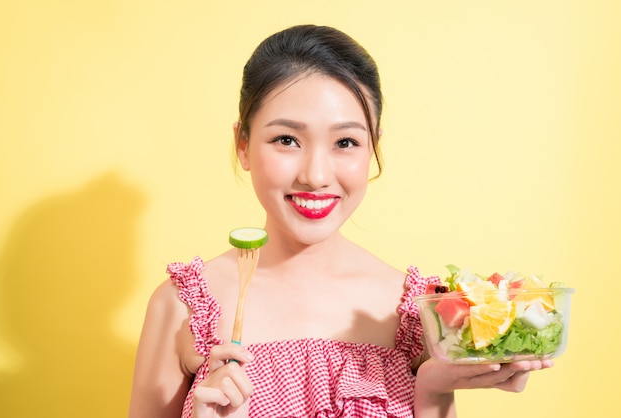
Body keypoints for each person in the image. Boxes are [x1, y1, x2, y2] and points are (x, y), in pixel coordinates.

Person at [129, 24, 553, 418]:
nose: (315, 175)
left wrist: (432, 394)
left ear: (373, 147)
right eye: (286, 140)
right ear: (242, 143)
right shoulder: (181, 307)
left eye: (345, 142)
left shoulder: (420, 311)